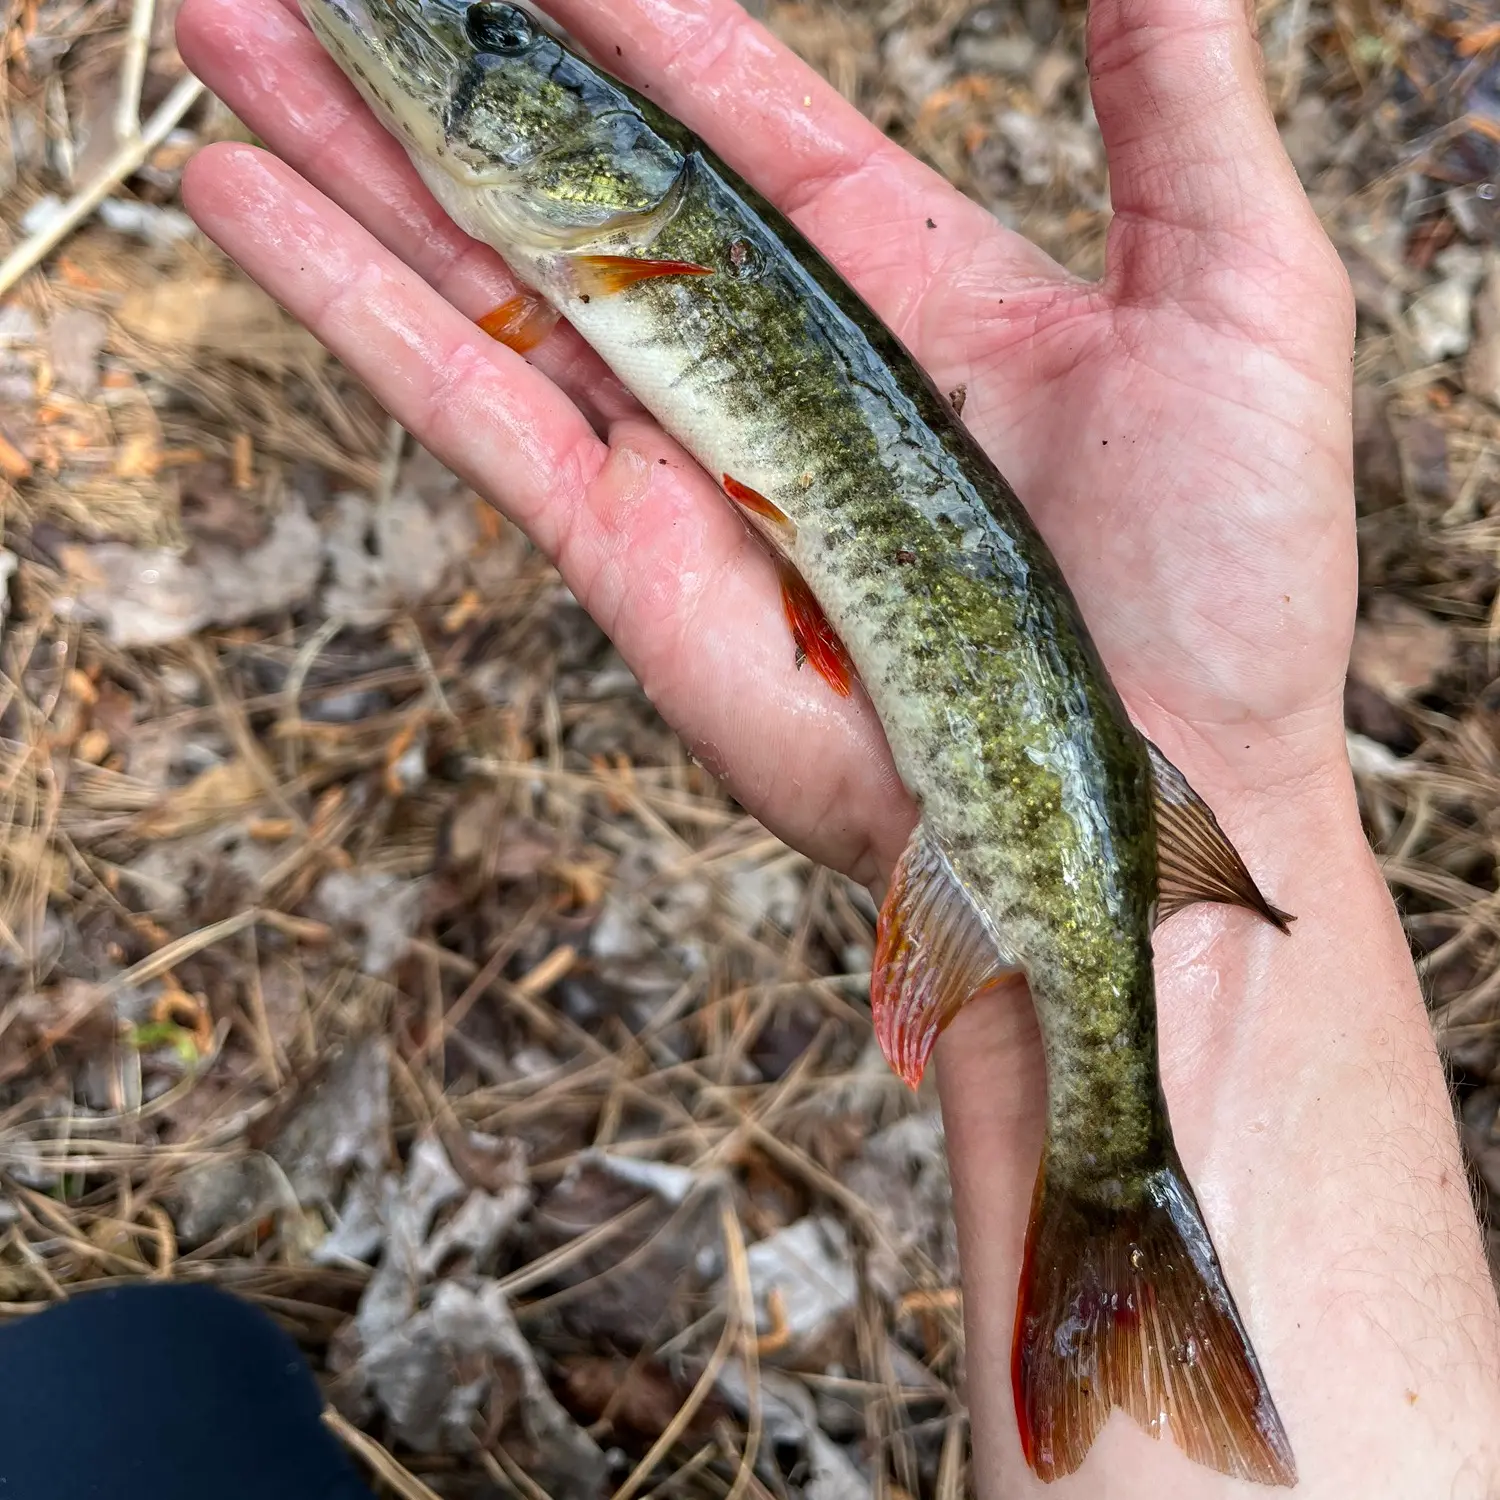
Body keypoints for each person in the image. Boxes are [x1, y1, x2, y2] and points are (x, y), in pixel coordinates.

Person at [137, 0, 1500, 1494]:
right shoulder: (610, 229)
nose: (461, 55)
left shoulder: (641, 225)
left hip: (1059, 801)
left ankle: (1126, 1200)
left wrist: (1238, 794)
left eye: (493, 51)